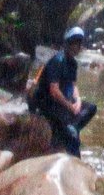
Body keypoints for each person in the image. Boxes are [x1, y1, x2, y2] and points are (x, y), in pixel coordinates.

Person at [32, 25, 99, 157]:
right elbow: (54, 91)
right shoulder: (58, 60)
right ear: (68, 43)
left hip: (63, 103)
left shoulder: (73, 63)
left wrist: (78, 101)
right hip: (48, 103)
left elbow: (73, 86)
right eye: (75, 43)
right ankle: (73, 152)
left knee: (91, 108)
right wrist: (70, 106)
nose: (77, 47)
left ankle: (70, 127)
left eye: (79, 43)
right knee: (72, 134)